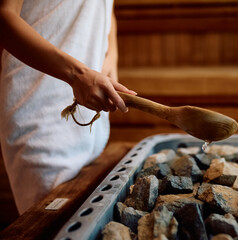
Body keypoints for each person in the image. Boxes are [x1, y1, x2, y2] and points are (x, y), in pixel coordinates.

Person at [0, 0, 136, 214]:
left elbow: (106, 9)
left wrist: (111, 58)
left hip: (91, 120)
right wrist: (77, 75)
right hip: (42, 115)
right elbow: (4, 17)